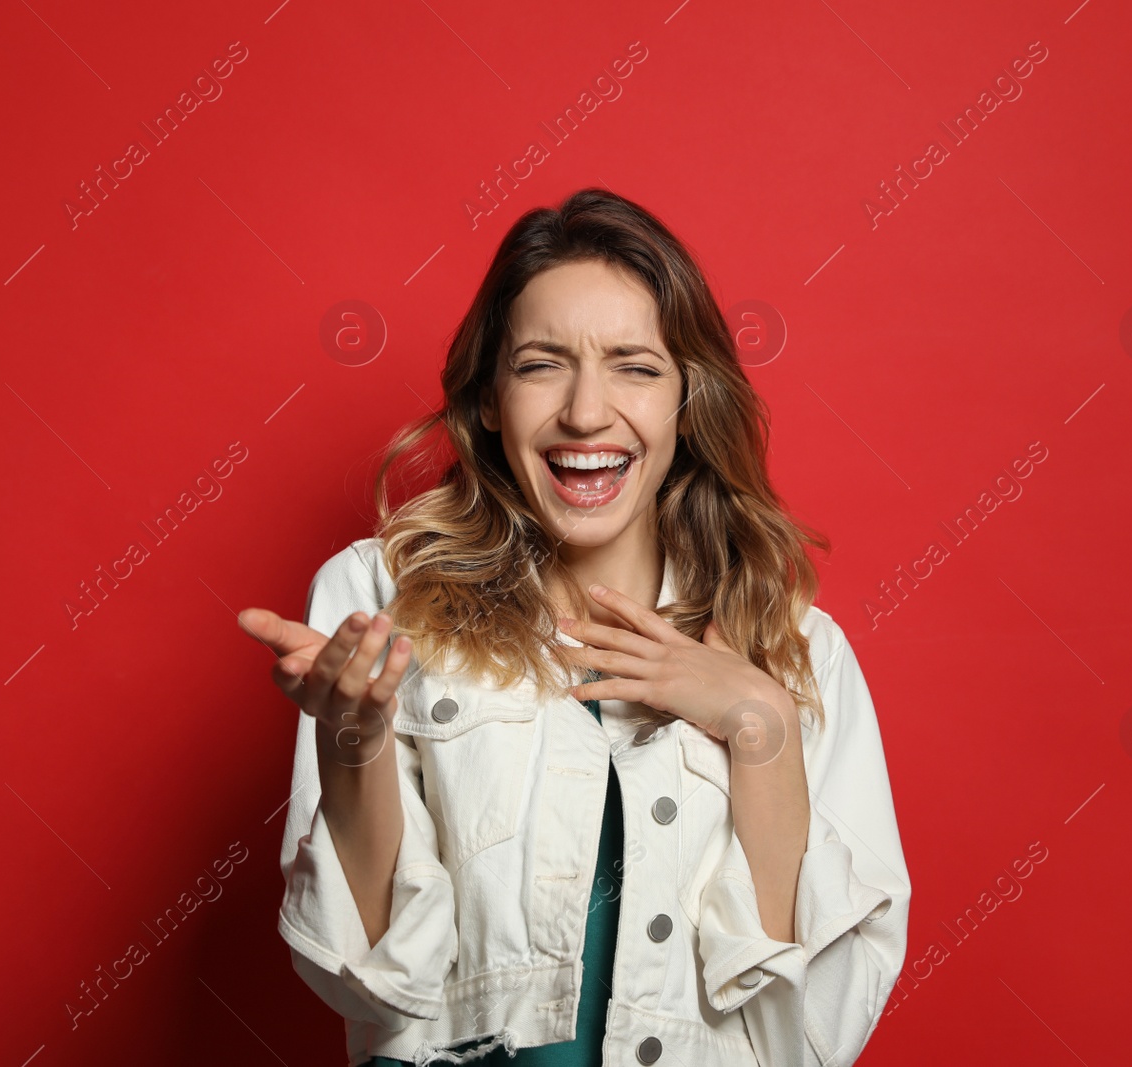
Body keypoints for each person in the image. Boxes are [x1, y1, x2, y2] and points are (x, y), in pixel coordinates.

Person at [238, 188, 911, 1066]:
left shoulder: (799, 651)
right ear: (487, 399)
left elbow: (812, 1039)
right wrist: (353, 743)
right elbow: (362, 981)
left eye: (634, 365)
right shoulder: (380, 598)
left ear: (687, 403)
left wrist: (764, 731)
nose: (587, 413)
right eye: (542, 364)